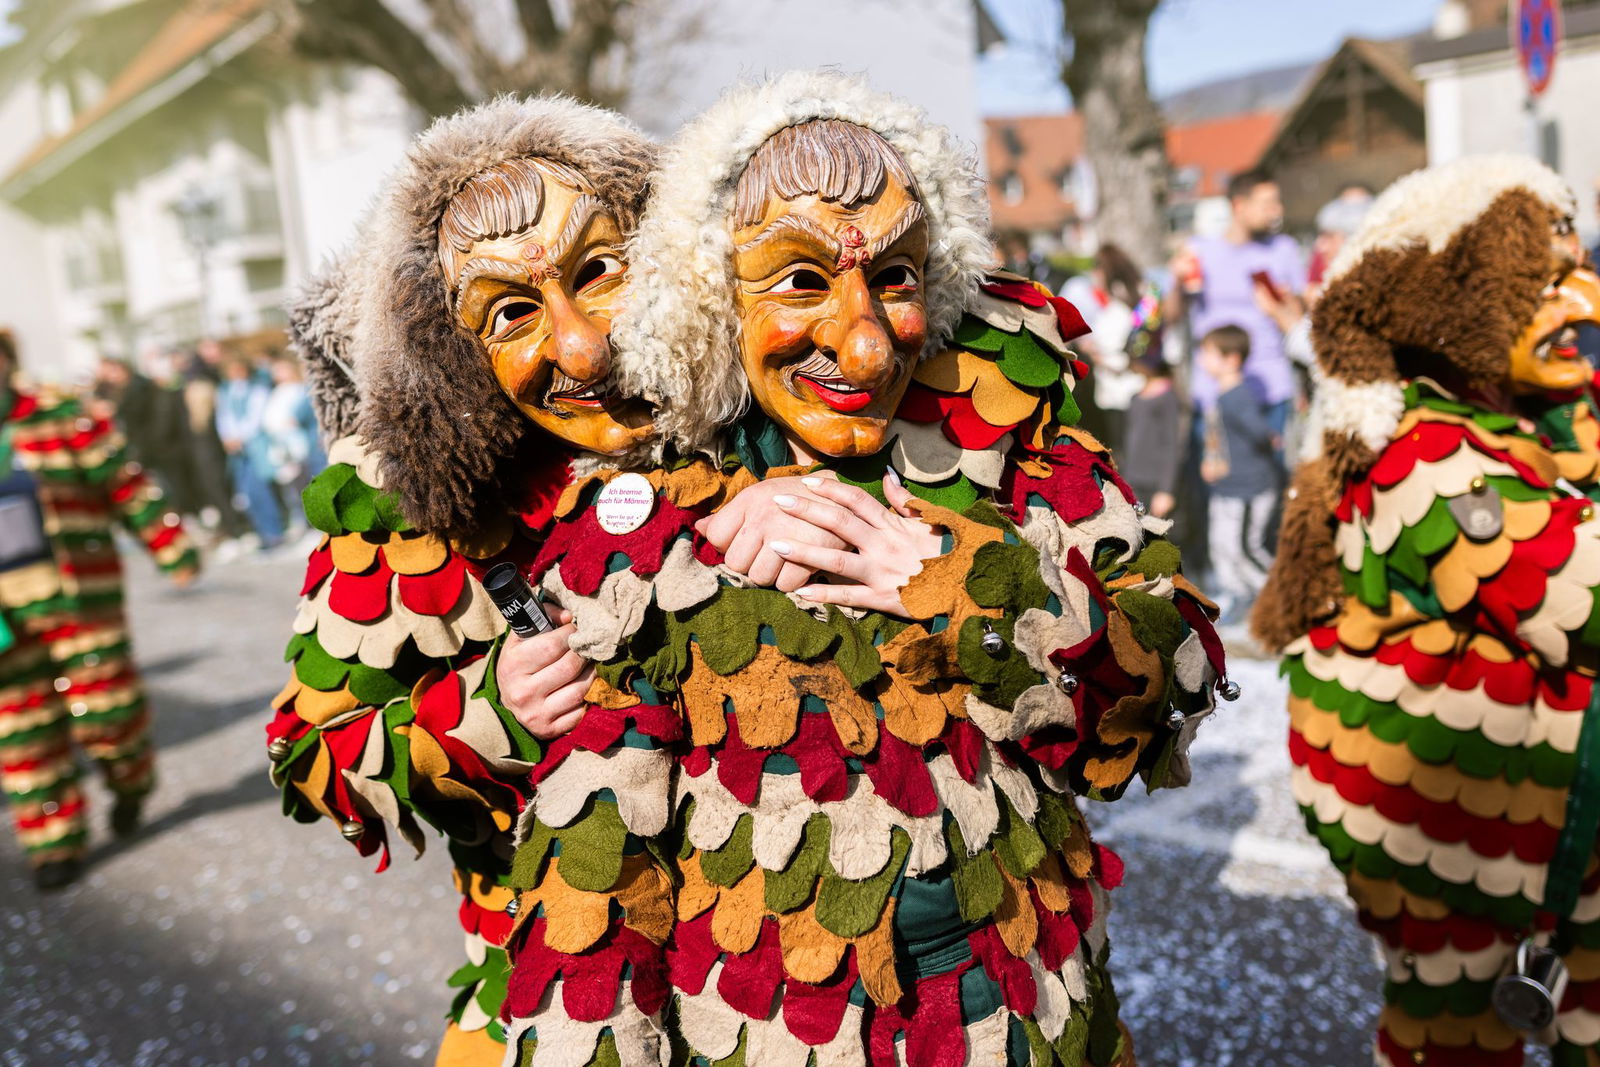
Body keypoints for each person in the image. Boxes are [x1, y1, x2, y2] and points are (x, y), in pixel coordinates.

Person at [494, 70, 1227, 1067]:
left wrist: (970, 585)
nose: (866, 341)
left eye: (895, 278)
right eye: (801, 281)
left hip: (1022, 1016)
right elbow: (596, 851)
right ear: (715, 293)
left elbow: (1173, 676)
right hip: (770, 1027)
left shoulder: (1005, 430)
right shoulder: (653, 497)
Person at [1253, 156, 1600, 1064]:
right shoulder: (1425, 455)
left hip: (1536, 825)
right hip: (1462, 838)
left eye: (1580, 272)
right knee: (1457, 1030)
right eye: (1547, 284)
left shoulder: (1515, 415)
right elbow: (1584, 597)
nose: (1584, 306)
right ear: (1450, 303)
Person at [0, 330, 198, 890]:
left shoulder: (62, 416)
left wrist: (168, 541)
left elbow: (125, 484)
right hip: (5, 628)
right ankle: (53, 846)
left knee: (110, 718)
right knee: (24, 735)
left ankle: (131, 780)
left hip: (80, 601)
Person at [1168, 169, 1305, 436]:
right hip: (1213, 393)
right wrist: (1175, 281)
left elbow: (1298, 321)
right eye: (1267, 204)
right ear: (1239, 205)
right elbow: (1171, 317)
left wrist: (1285, 302)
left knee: (1271, 476)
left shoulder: (1284, 249)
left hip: (1270, 388)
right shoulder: (1200, 251)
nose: (1277, 211)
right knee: (1213, 476)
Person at [1196, 324, 1279, 626]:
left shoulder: (1238, 395)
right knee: (1223, 545)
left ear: (1231, 359)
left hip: (1249, 488)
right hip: (1227, 486)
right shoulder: (1223, 393)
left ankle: (1278, 594)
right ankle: (1240, 594)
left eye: (1208, 354)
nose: (1202, 360)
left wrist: (1271, 437)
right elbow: (1219, 437)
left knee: (1246, 546)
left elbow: (1259, 432)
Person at [1064, 242, 1160, 454]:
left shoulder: (1120, 309)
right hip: (1121, 393)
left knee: (1126, 453)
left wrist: (1095, 354)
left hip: (1124, 393)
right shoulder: (1139, 300)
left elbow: (1127, 354)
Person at [215, 354, 283, 549]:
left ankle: (273, 532)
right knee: (246, 494)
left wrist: (240, 437)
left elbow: (255, 418)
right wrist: (227, 437)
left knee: (261, 490)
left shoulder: (256, 389)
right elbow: (224, 417)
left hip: (254, 447)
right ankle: (261, 531)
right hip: (237, 451)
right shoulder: (226, 391)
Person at [1117, 351, 1182, 521]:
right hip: (1133, 479)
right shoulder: (1136, 397)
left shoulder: (1167, 398)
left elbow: (1171, 444)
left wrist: (1166, 490)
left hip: (1155, 484)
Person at [260, 353, 325, 522]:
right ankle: (304, 520)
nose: (278, 374)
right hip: (283, 445)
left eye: (282, 370)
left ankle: (315, 520)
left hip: (302, 444)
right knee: (294, 487)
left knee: (308, 482)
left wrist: (288, 423)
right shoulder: (277, 393)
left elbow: (296, 417)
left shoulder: (301, 389)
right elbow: (269, 419)